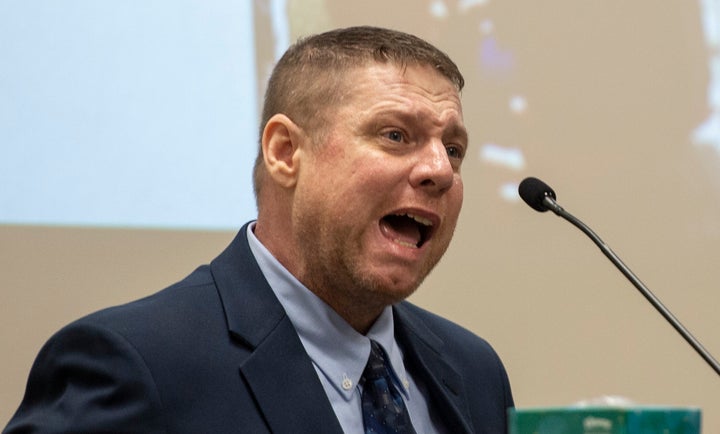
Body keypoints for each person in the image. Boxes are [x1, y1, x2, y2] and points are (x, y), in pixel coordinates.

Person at [4, 26, 514, 433]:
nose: (441, 171)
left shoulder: (474, 371)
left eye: (453, 149)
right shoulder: (135, 367)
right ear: (285, 153)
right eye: (396, 135)